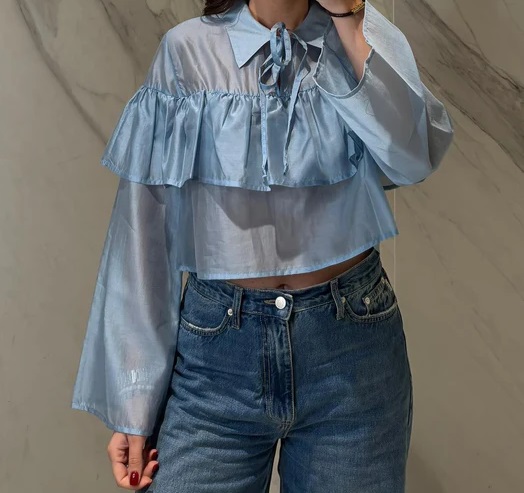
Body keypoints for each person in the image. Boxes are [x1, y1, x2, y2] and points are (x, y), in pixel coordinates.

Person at [71, 0, 454, 491]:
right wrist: (135, 401)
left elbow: (414, 158)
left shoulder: (360, 34)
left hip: (352, 354)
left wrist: (350, 24)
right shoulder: (188, 50)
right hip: (216, 363)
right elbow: (145, 231)